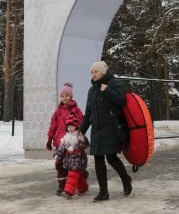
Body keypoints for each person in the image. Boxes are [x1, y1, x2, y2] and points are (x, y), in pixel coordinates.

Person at [79, 61, 132, 202]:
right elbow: (88, 113)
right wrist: (81, 130)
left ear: (103, 72)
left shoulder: (113, 83)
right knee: (98, 159)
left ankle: (126, 180)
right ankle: (103, 192)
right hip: (97, 130)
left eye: (96, 71)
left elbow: (121, 101)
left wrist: (107, 90)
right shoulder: (92, 90)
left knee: (112, 158)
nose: (93, 74)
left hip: (111, 128)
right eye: (92, 72)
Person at [46, 82, 84, 195]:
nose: (64, 98)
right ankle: (62, 186)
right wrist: (49, 140)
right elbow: (53, 126)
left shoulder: (76, 110)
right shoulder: (58, 111)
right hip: (60, 143)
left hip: (72, 144)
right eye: (62, 96)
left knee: (72, 166)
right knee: (59, 164)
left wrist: (80, 137)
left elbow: (82, 124)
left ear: (71, 97)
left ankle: (81, 179)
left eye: (67, 95)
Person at [54, 114, 90, 199]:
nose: (70, 128)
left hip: (78, 158)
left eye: (72, 126)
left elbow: (85, 145)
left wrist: (82, 140)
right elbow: (62, 147)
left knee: (73, 175)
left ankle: (69, 192)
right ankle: (83, 188)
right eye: (69, 126)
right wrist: (58, 154)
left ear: (76, 126)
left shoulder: (78, 135)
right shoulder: (65, 137)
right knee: (78, 176)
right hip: (69, 159)